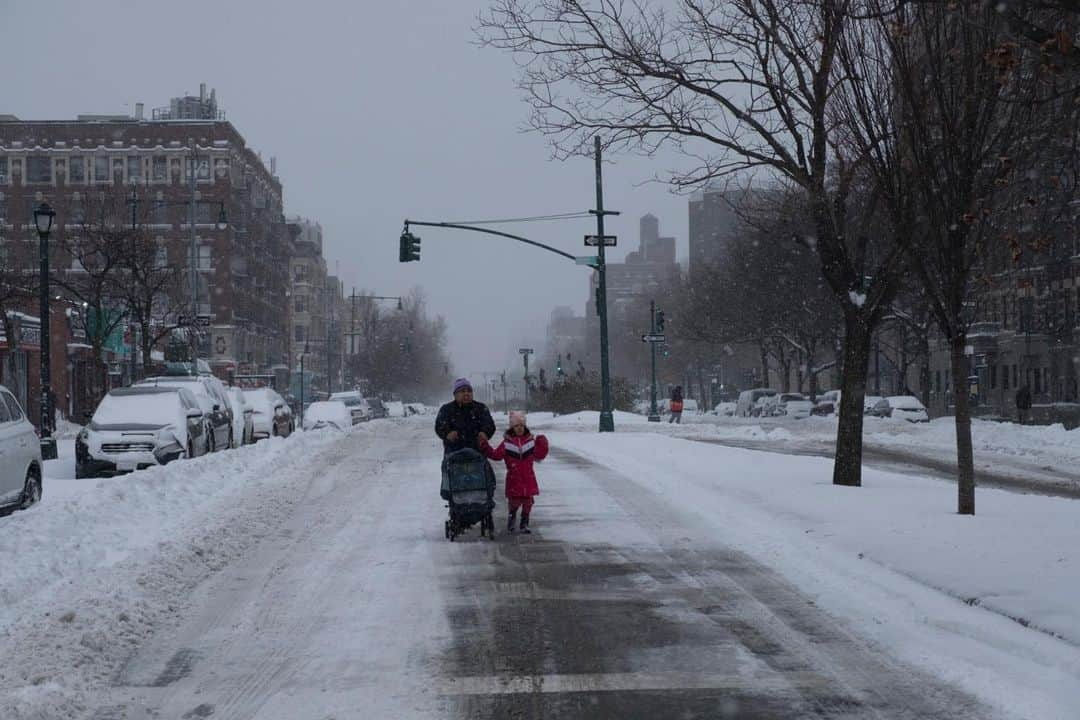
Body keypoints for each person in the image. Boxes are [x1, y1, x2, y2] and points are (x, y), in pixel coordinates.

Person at [481, 411, 548, 534]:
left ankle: (524, 523)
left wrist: (542, 444)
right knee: (514, 503)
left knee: (528, 503)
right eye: (517, 426)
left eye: (522, 425)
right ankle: (512, 519)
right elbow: (496, 455)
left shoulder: (530, 442)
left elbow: (539, 455)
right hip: (514, 478)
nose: (520, 428)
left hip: (528, 478)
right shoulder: (507, 443)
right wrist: (485, 447)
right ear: (512, 427)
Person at [435, 378, 496, 454]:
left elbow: (490, 425)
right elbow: (439, 427)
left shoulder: (481, 408)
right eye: (462, 391)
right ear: (455, 394)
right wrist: (447, 434)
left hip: (478, 455)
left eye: (469, 391)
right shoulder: (446, 409)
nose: (466, 393)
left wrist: (485, 433)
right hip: (453, 455)